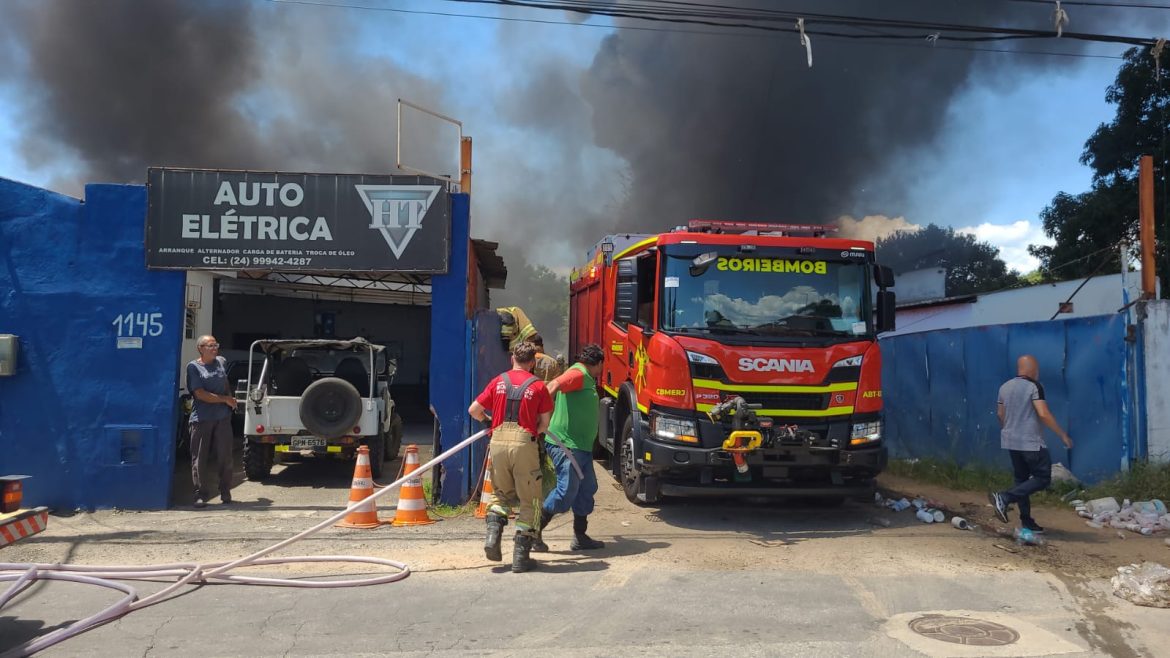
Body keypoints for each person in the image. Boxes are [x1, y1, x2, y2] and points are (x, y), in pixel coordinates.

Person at [468, 342, 554, 572]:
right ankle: (520, 557)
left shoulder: (498, 382)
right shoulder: (538, 386)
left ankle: (492, 536)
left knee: (499, 494)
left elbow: (474, 410)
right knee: (531, 500)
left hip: (497, 442)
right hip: (524, 443)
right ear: (533, 362)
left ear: (512, 359)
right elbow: (544, 424)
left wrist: (488, 422)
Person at [988, 354, 1073, 532]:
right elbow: (1043, 413)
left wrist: (1010, 430)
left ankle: (1026, 521)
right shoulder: (1034, 386)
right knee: (1043, 478)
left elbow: (1000, 414)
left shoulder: (1004, 387)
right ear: (1033, 369)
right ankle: (1005, 497)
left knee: (1021, 480)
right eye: (1038, 370)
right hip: (1030, 442)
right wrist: (1062, 434)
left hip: (1011, 442)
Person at [535, 344, 606, 552]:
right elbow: (553, 385)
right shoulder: (578, 373)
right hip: (566, 444)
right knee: (565, 492)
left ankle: (580, 537)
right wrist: (540, 417)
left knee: (586, 488)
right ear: (598, 363)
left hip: (580, 446)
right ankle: (531, 533)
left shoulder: (584, 376)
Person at [186, 335, 237, 508]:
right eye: (210, 345)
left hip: (222, 418)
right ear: (200, 348)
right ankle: (200, 494)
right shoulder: (194, 367)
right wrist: (224, 399)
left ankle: (225, 491)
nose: (215, 348)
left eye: (216, 345)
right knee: (200, 458)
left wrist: (230, 399)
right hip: (202, 418)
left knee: (225, 457)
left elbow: (225, 383)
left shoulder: (221, 362)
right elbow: (200, 394)